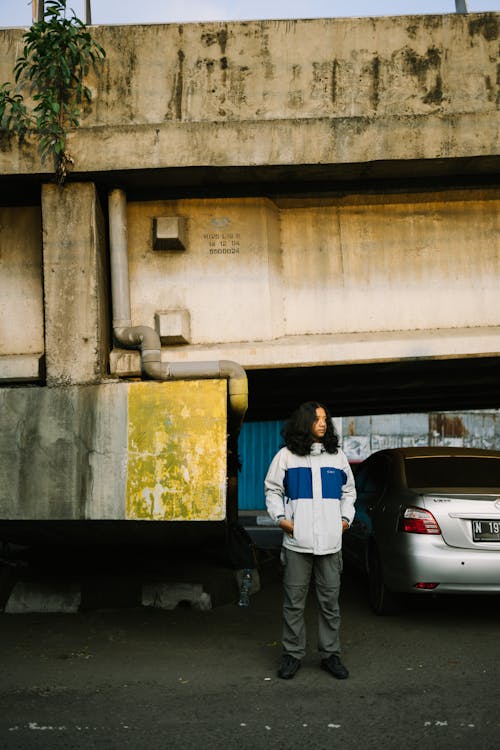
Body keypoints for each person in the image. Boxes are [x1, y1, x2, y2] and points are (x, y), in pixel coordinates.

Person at [264, 401, 356, 680]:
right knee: (294, 602)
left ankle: (331, 655)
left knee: (330, 602)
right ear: (304, 422)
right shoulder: (286, 457)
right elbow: (272, 489)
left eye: (325, 419)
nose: (323, 423)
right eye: (317, 419)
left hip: (331, 543)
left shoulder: (336, 457)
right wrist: (281, 519)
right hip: (297, 542)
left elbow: (349, 493)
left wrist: (344, 521)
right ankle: (292, 655)